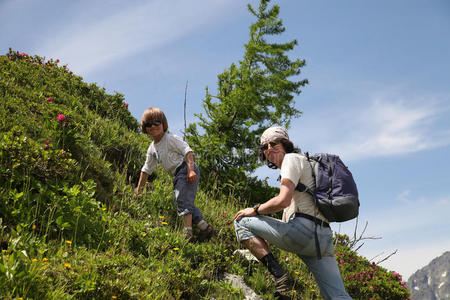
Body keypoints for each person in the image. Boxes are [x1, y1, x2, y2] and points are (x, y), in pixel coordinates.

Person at [234, 126, 352, 299]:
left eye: (273, 143)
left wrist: (255, 210)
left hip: (304, 232)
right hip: (323, 239)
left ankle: (279, 275)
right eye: (264, 147)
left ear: (285, 144)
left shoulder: (290, 160)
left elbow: (283, 200)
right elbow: (286, 212)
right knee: (337, 296)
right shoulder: (305, 165)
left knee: (241, 221)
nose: (268, 149)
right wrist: (266, 235)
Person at [135, 107, 214, 242]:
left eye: (157, 123)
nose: (153, 127)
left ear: (163, 124)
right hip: (177, 175)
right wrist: (139, 190)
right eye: (149, 124)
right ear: (145, 128)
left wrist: (190, 170)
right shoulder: (152, 148)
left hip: (185, 169)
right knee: (184, 201)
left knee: (181, 200)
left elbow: (187, 151)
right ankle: (205, 228)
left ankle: (187, 234)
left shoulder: (170, 139)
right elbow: (146, 169)